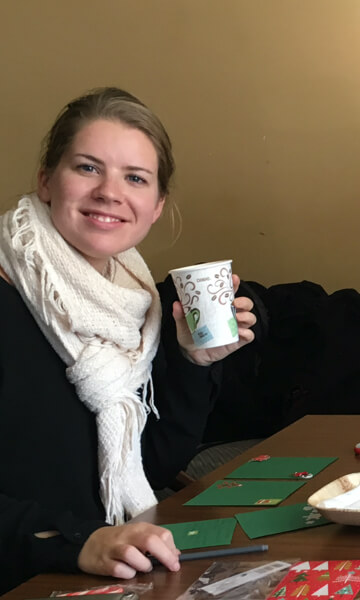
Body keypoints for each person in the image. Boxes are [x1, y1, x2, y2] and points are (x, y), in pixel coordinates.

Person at [0, 87, 257, 593]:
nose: (110, 193)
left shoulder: (135, 307)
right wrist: (76, 541)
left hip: (100, 575)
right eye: (88, 168)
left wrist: (191, 361)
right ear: (46, 181)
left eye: (134, 178)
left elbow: (152, 463)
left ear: (156, 206)